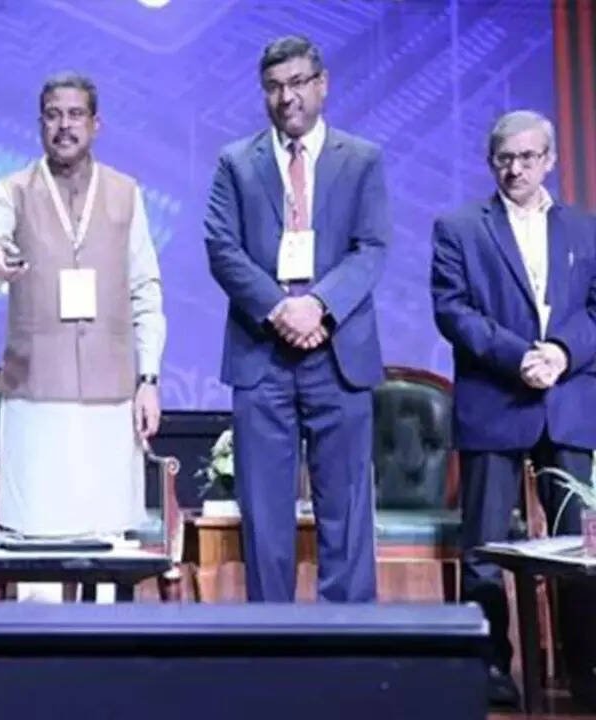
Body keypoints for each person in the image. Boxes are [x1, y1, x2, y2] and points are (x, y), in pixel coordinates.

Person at [0, 72, 166, 601]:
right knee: (38, 552)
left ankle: (104, 646)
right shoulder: (14, 189)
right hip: (37, 394)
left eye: (76, 115)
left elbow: (146, 288)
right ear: (40, 124)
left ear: (96, 124)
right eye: (53, 115)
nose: (64, 126)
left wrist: (148, 379)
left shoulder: (125, 193)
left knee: (106, 546)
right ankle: (39, 649)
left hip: (110, 395)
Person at [203, 35, 389, 603]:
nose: (286, 97)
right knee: (264, 514)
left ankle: (348, 639)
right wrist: (280, 308)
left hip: (338, 355)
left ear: (322, 84)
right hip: (263, 355)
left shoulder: (362, 159)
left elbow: (371, 248)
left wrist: (319, 306)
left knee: (347, 512)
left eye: (298, 83)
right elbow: (222, 249)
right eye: (274, 87)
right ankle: (272, 637)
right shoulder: (237, 162)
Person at [431, 109, 596, 706]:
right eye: (505, 158)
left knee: (580, 551)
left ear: (549, 160)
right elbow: (453, 310)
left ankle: (584, 668)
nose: (516, 168)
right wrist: (519, 356)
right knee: (483, 549)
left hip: (568, 400)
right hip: (496, 398)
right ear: (490, 162)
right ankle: (489, 669)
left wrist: (561, 352)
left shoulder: (584, 228)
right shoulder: (459, 228)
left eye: (528, 157)